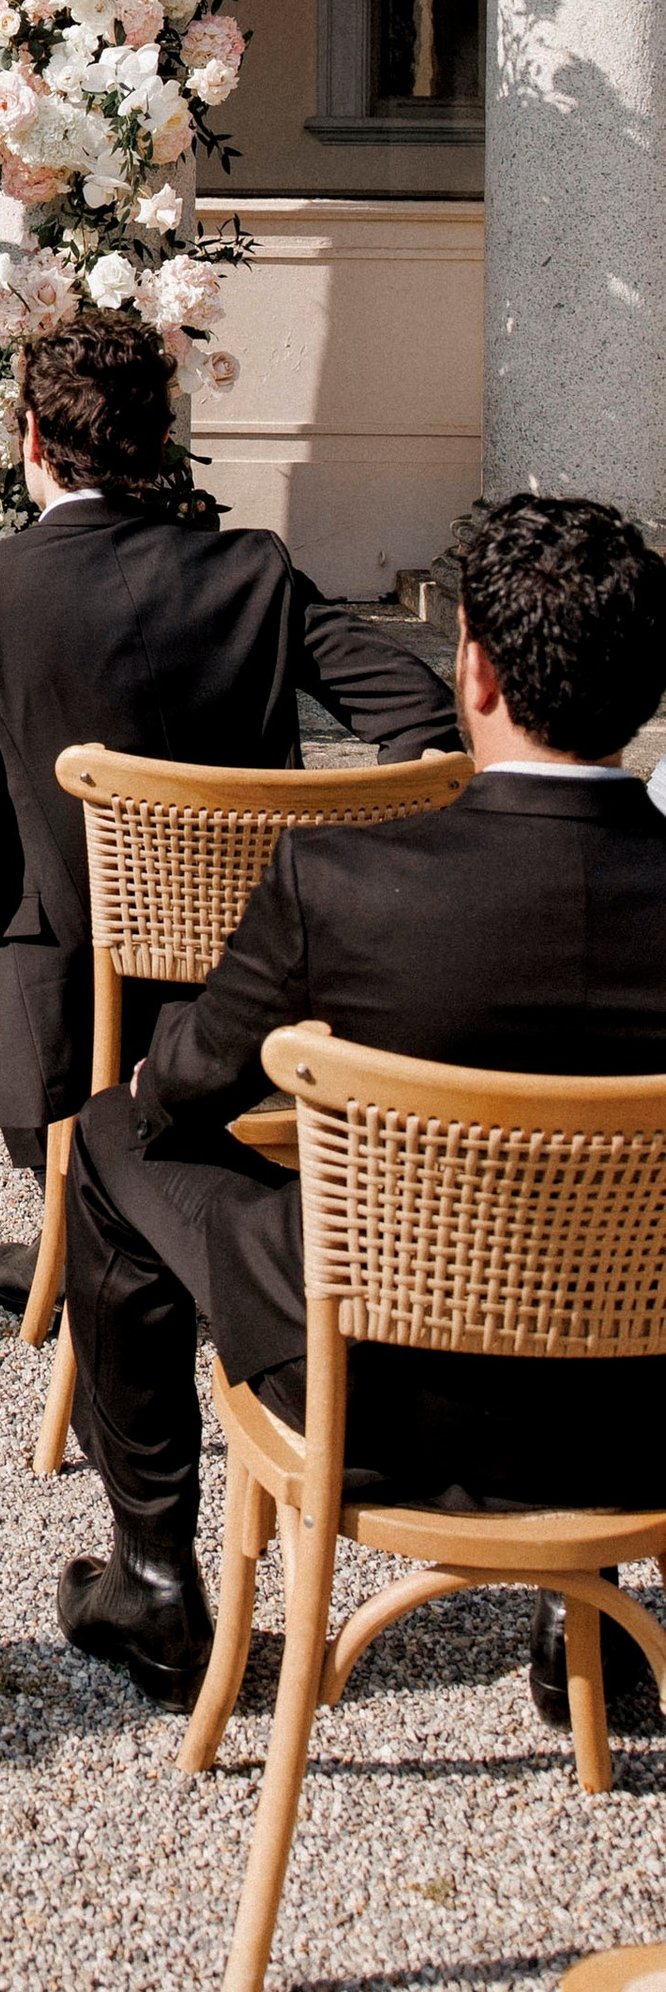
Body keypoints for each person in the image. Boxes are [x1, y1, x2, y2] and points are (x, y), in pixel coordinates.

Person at [58, 489, 666, 1714]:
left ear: (475, 671)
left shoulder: (348, 880)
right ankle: (584, 1610)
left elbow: (183, 1090)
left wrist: (177, 1082)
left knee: (111, 1133)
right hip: (644, 1421)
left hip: (384, 1403)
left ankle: (154, 1577)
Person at [0, 309, 456, 1306]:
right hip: (250, 975)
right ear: (160, 441)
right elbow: (417, 709)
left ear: (28, 438)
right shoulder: (254, 571)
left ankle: (67, 1181)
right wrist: (346, 871)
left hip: (70, 1005)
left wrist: (33, 848)